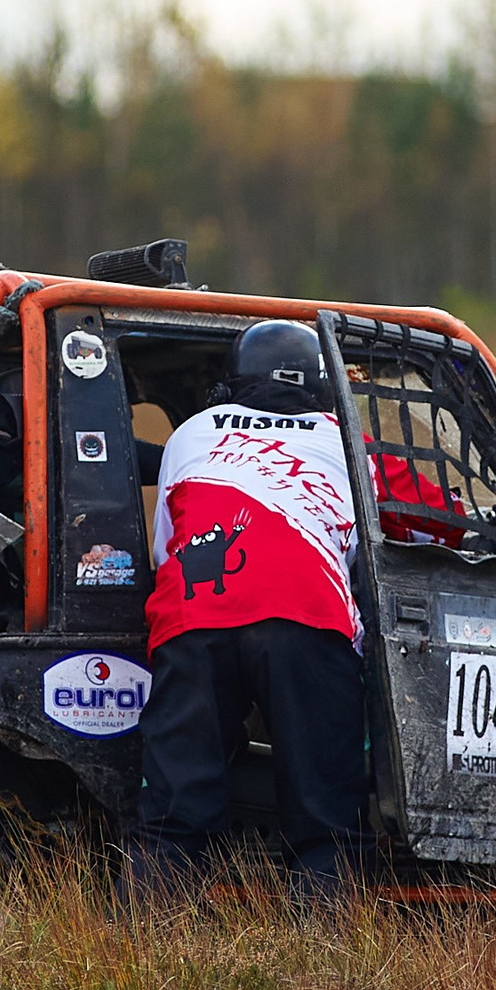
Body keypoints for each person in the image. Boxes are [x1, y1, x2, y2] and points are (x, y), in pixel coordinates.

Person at [132, 320, 368, 894]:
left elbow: (166, 548)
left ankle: (146, 933)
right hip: (308, 615)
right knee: (326, 821)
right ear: (322, 385)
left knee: (173, 819)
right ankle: (323, 936)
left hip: (194, 616)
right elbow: (369, 550)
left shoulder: (191, 433)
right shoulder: (347, 442)